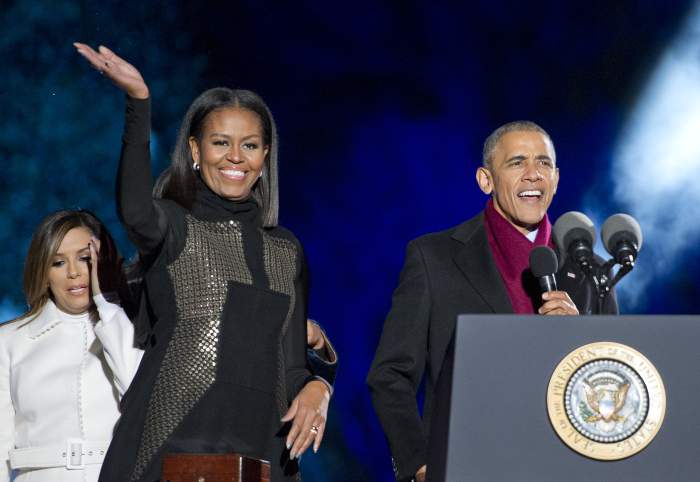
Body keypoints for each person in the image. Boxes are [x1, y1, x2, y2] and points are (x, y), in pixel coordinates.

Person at [74, 43, 331, 482]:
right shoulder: (173, 225)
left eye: (250, 145)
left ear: (265, 157)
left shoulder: (286, 251)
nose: (236, 157)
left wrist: (316, 385)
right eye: (220, 143)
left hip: (263, 452)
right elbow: (135, 209)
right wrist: (139, 102)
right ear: (195, 150)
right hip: (170, 444)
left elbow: (290, 364)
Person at [366, 121, 618, 482]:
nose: (533, 175)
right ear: (486, 180)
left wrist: (578, 341)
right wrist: (421, 465)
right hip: (466, 466)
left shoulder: (591, 272)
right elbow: (390, 374)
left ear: (557, 179)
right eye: (517, 163)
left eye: (544, 164)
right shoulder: (433, 258)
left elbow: (613, 380)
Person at [0, 210, 143, 482]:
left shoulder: (130, 331)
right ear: (43, 271)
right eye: (58, 263)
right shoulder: (9, 342)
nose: (74, 272)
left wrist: (107, 303)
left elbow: (139, 396)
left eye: (85, 259)